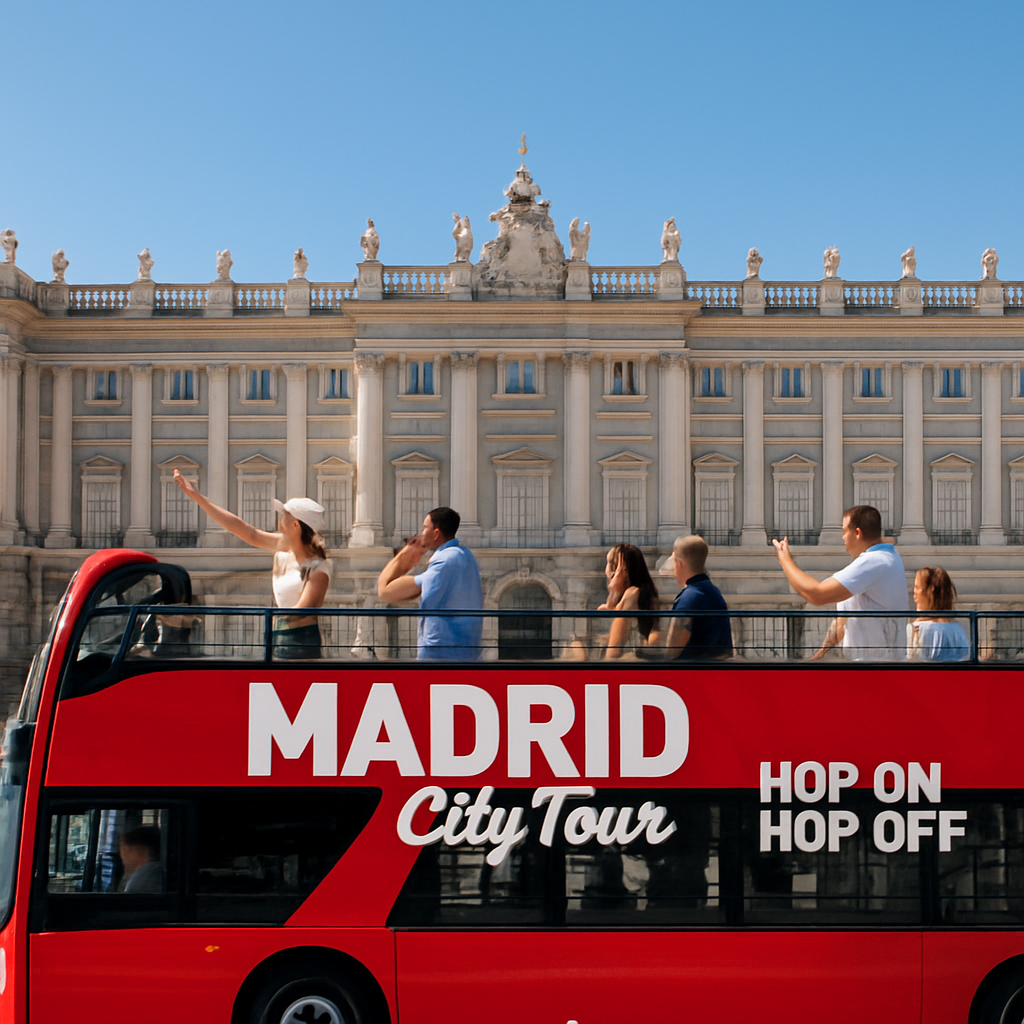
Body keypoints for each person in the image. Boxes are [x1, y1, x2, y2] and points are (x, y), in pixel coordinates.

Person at [172, 470, 331, 658]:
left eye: (284, 517)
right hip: (278, 638)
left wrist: (265, 617)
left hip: (301, 644)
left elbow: (301, 612)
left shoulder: (318, 568)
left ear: (296, 526)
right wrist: (197, 497)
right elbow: (246, 531)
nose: (280, 521)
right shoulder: (283, 549)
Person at [773, 505, 907, 661]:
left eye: (844, 531)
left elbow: (816, 594)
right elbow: (842, 623)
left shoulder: (874, 562)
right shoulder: (890, 557)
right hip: (874, 665)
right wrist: (816, 657)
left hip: (874, 668)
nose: (842, 537)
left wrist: (785, 560)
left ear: (857, 533)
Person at [377, 506, 483, 660]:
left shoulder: (445, 560)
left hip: (441, 654)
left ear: (436, 533)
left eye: (425, 528)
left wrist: (404, 555)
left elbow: (386, 591)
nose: (421, 533)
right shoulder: (465, 555)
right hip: (467, 651)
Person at [657, 535, 733, 660]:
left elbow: (673, 651)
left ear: (679, 564)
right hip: (715, 671)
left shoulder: (688, 598)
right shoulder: (713, 591)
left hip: (693, 673)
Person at [599, 543, 661, 659]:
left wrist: (614, 590)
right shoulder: (641, 592)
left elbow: (613, 652)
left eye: (610, 564)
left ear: (622, 569)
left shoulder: (632, 595)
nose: (606, 570)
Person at [907, 567, 970, 661]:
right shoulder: (958, 630)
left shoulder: (916, 629)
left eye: (917, 587)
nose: (914, 592)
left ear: (929, 592)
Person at [118, 825, 163, 894]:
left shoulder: (145, 880)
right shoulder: (157, 872)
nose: (122, 857)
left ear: (139, 850)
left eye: (125, 849)